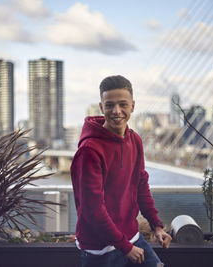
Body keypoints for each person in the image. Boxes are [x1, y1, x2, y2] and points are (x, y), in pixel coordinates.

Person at [70, 75, 171, 267]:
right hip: (100, 249)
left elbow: (140, 186)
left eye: (123, 104)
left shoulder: (135, 140)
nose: (116, 111)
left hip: (131, 237)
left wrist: (156, 225)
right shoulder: (89, 151)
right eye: (110, 105)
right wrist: (124, 246)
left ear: (133, 106)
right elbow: (93, 209)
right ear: (101, 107)